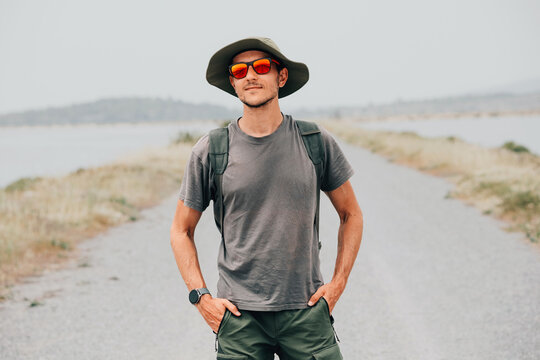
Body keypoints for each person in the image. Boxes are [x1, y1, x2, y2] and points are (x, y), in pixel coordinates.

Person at [170, 37, 363, 359]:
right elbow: (180, 230)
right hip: (239, 318)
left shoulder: (314, 141)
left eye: (261, 67)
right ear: (233, 82)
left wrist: (338, 283)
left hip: (306, 310)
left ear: (281, 77)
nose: (250, 76)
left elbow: (351, 214)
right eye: (240, 70)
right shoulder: (211, 149)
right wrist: (200, 297)